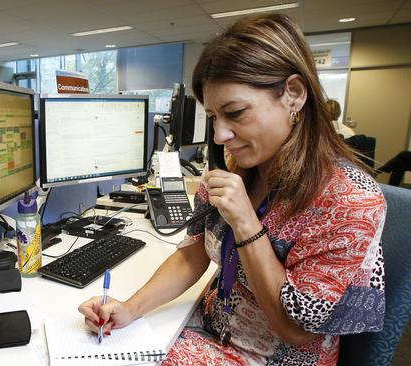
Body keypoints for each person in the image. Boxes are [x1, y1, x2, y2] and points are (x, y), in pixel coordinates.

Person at [79, 14, 385, 365]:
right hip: (209, 328)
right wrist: (129, 308)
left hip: (274, 357)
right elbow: (192, 252)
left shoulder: (349, 200)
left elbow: (297, 331)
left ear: (294, 95)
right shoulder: (236, 169)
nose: (221, 135)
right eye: (213, 117)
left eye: (235, 113)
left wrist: (246, 225)